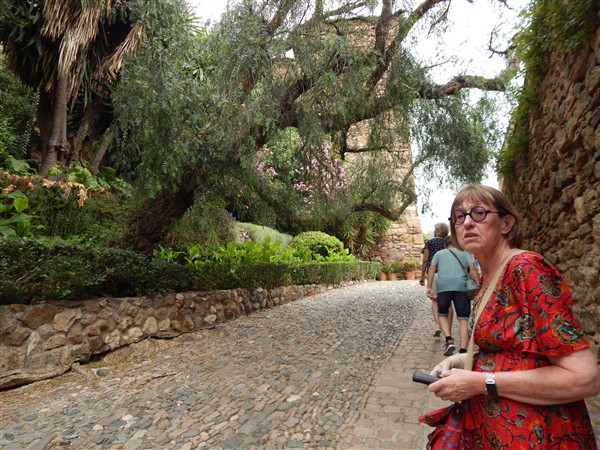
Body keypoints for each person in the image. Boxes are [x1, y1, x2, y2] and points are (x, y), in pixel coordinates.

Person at [427, 184, 600, 448]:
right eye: (459, 217)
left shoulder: (525, 269)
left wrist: (479, 382)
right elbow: (512, 351)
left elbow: (584, 378)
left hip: (541, 436)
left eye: (479, 213)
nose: (467, 223)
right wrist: (463, 360)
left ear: (506, 224)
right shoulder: (488, 277)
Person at [426, 236, 480, 356]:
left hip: (443, 287)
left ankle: (449, 340)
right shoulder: (465, 253)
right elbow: (472, 268)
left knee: (442, 314)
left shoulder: (439, 254)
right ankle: (463, 350)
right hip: (461, 287)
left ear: (445, 245)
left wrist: (429, 286)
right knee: (463, 319)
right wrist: (479, 285)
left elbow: (431, 268)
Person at [419, 222, 453, 336]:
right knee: (448, 301)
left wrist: (422, 275)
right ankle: (448, 330)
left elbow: (425, 259)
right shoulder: (448, 243)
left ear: (438, 231)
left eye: (435, 229)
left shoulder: (430, 243)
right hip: (447, 274)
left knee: (434, 300)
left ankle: (438, 325)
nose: (434, 231)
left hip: (434, 274)